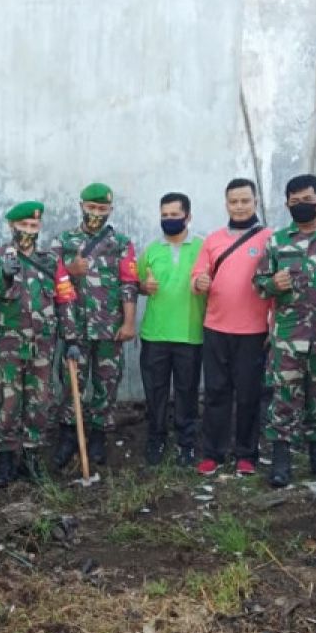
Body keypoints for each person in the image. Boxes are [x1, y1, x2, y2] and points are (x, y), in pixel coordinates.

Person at [253, 174, 316, 487]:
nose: (301, 206)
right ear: (287, 204)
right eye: (295, 202)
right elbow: (259, 284)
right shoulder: (277, 240)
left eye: (307, 200)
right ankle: (281, 462)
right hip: (288, 338)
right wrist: (271, 284)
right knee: (284, 399)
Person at [0, 201, 81, 487]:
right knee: (8, 403)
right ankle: (5, 460)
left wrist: (71, 338)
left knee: (39, 403)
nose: (28, 230)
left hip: (43, 346)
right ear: (12, 226)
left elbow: (64, 298)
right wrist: (5, 274)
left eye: (33, 226)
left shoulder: (50, 261)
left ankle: (32, 458)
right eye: (23, 225)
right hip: (10, 347)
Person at [51, 183, 139, 469]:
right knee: (71, 385)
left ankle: (99, 437)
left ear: (111, 210)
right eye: (91, 207)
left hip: (109, 329)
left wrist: (128, 322)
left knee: (107, 383)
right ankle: (67, 437)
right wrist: (70, 271)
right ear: (81, 206)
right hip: (73, 327)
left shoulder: (121, 243)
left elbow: (129, 283)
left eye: (102, 209)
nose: (96, 213)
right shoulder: (63, 241)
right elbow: (50, 280)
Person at [191, 178, 272, 476]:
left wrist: (272, 325)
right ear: (226, 204)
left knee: (250, 394)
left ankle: (247, 454)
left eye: (245, 201)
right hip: (216, 328)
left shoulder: (268, 238)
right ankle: (213, 452)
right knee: (215, 392)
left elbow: (273, 282)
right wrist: (198, 282)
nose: (239, 207)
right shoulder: (212, 240)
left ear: (255, 202)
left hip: (253, 332)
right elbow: (198, 275)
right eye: (233, 201)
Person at [138, 192, 206, 466]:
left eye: (174, 215)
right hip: (155, 334)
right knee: (155, 392)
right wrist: (145, 287)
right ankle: (156, 439)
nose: (169, 220)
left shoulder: (203, 248)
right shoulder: (151, 250)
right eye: (164, 215)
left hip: (190, 333)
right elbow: (137, 284)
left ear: (188, 216)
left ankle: (186, 443)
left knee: (187, 392)